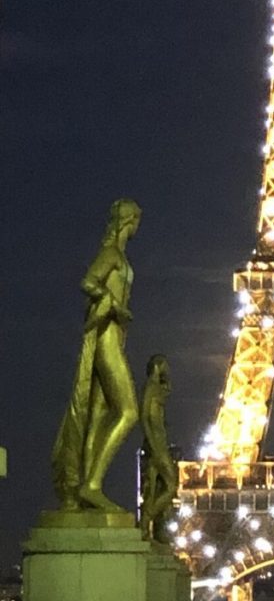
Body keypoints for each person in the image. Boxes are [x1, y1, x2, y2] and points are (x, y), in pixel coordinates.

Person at [51, 198, 142, 512]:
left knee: (99, 415)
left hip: (115, 335)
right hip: (107, 337)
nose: (137, 226)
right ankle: (91, 483)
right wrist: (114, 305)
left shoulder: (120, 256)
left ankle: (87, 487)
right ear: (128, 221)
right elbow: (88, 281)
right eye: (135, 220)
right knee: (130, 411)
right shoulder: (112, 255)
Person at [139, 354, 178, 541]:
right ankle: (147, 518)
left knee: (157, 487)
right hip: (157, 444)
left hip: (158, 442)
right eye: (165, 365)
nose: (168, 369)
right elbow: (144, 416)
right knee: (171, 486)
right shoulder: (151, 388)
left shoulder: (156, 388)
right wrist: (153, 444)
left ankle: (148, 522)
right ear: (158, 366)